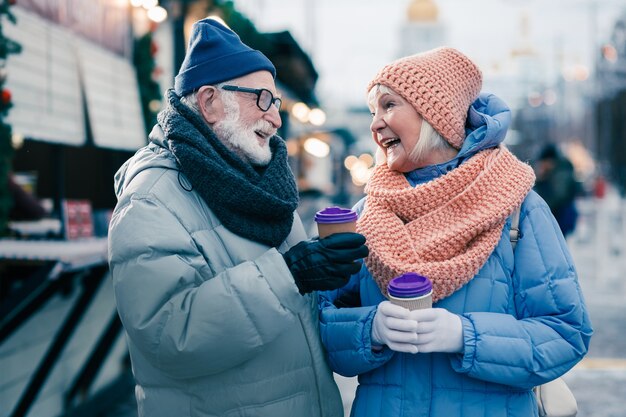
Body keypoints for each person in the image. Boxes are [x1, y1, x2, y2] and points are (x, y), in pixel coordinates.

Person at [108, 18, 368, 417]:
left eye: (276, 102)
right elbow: (169, 336)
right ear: (210, 102)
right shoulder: (150, 199)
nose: (276, 119)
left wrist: (338, 290)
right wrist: (291, 274)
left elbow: (292, 307)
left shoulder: (264, 184)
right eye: (262, 99)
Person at [318, 47, 592, 417]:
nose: (375, 124)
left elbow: (566, 333)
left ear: (435, 114)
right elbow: (315, 322)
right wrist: (369, 330)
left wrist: (466, 336)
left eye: (388, 106)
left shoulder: (517, 208)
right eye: (372, 112)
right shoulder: (367, 215)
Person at [534, 143, 581, 237]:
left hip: (561, 218)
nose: (542, 165)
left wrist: (541, 180)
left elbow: (557, 197)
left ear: (550, 161)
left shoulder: (561, 174)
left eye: (543, 162)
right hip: (559, 218)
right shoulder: (558, 171)